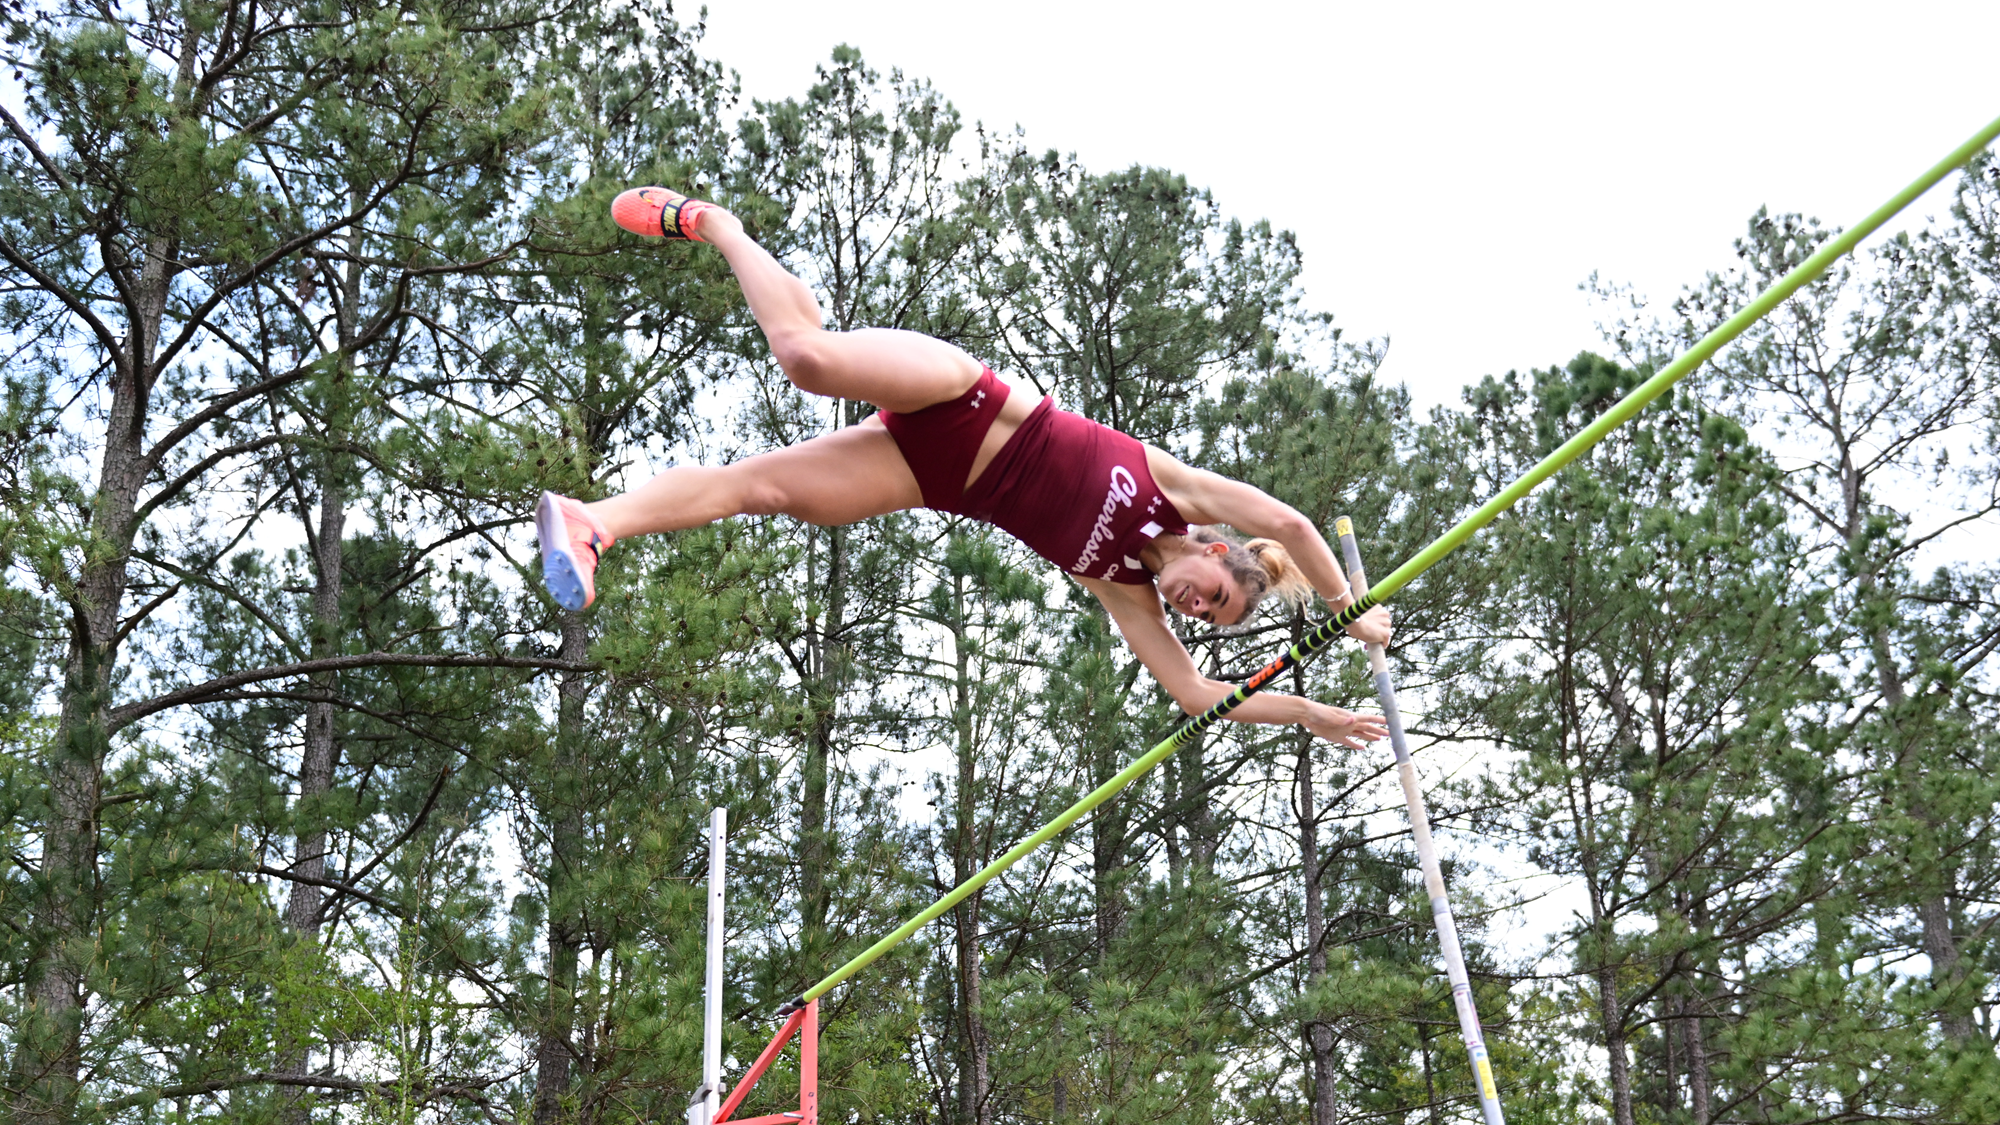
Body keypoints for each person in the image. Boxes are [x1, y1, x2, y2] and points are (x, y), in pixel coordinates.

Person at [535, 187, 1393, 748]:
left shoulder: (1124, 589)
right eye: (1216, 592)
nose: (1197, 606)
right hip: (969, 400)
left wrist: (1311, 714)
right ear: (1214, 549)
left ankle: (595, 520)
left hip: (933, 476)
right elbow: (1290, 524)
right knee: (807, 359)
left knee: (761, 490)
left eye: (1206, 615)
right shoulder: (1175, 492)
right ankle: (714, 222)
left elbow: (1206, 696)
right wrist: (1344, 609)